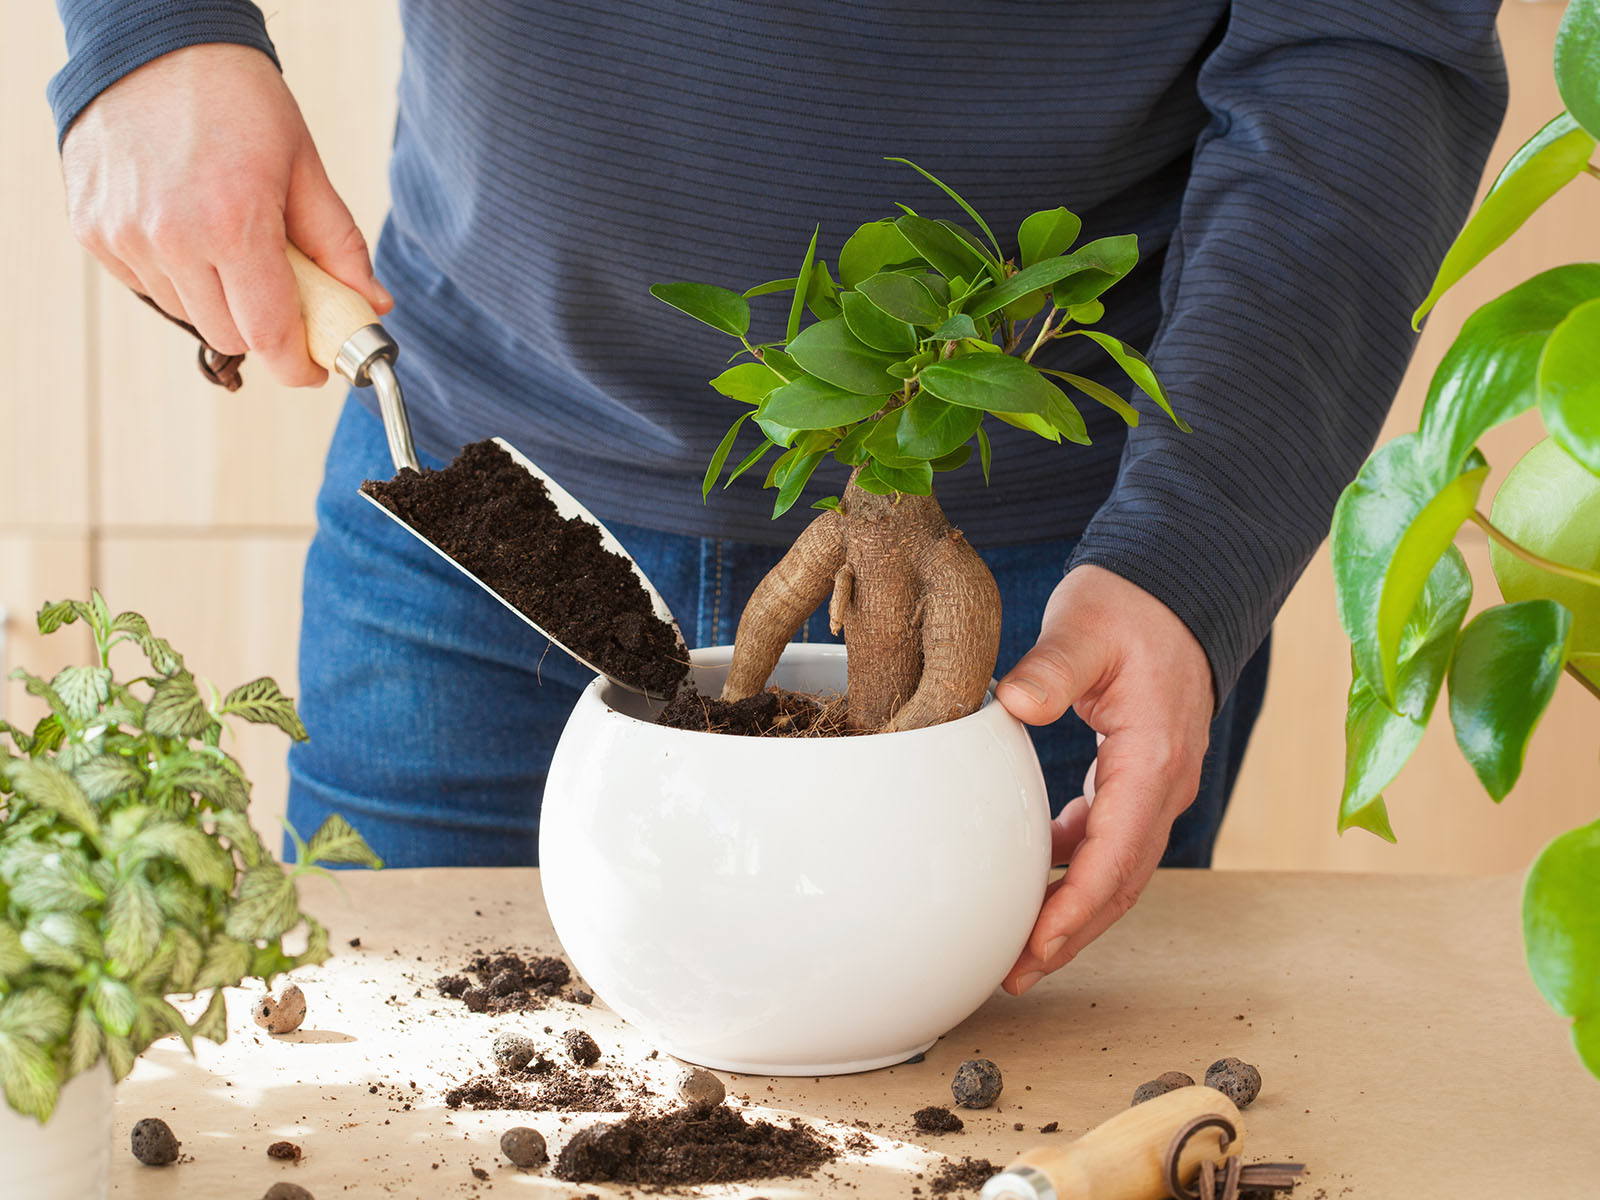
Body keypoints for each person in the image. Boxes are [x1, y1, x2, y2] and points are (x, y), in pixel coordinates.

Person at [50, 1, 1506, 995]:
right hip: (479, 519)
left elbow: (1366, 45)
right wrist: (146, 35)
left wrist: (1190, 552)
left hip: (1060, 600)